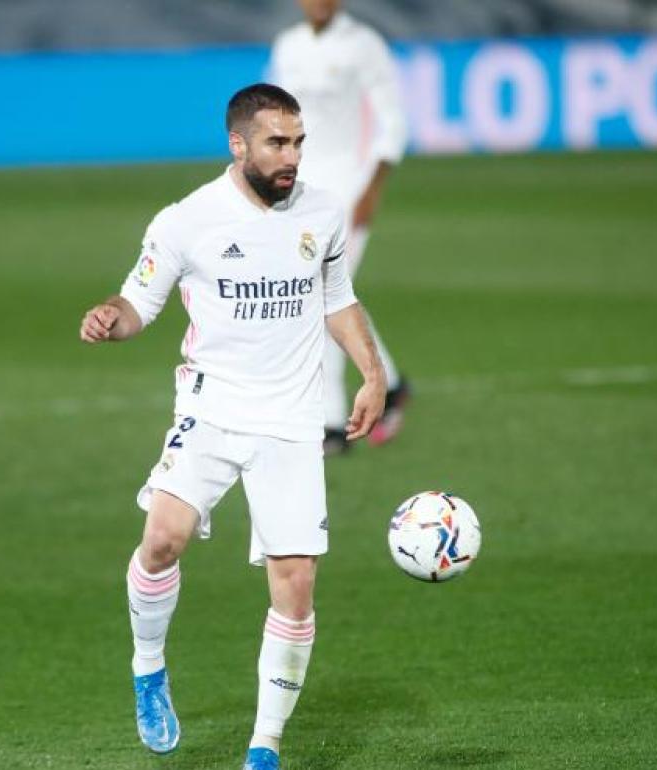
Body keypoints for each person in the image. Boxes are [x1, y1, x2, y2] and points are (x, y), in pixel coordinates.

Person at [79, 83, 385, 770]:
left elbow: (338, 299)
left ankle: (264, 747)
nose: (292, 157)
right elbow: (136, 303)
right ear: (238, 144)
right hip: (211, 410)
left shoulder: (323, 214)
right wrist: (108, 318)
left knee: (296, 584)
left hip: (292, 421)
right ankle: (148, 667)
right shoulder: (188, 221)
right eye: (277, 143)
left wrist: (371, 372)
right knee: (162, 540)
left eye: (298, 142)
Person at [269, 0, 409, 455]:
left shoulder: (364, 45)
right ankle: (392, 383)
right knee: (331, 294)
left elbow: (393, 121)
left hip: (347, 188)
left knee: (320, 298)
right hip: (297, 191)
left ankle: (330, 421)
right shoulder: (287, 45)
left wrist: (372, 188)